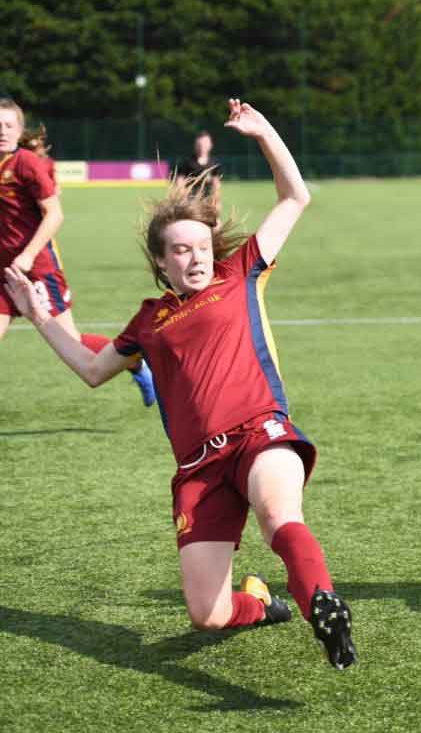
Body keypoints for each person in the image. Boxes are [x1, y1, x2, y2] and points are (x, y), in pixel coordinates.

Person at [4, 99, 357, 670]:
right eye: (180, 250)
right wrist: (39, 313)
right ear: (161, 261)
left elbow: (296, 197)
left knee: (277, 514)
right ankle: (263, 604)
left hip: (260, 434)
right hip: (198, 469)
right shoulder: (148, 320)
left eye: (199, 247)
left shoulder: (240, 273)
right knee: (208, 614)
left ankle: (324, 602)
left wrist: (263, 128)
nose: (194, 258)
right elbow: (92, 371)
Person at [0, 98, 156, 405]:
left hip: (37, 272)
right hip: (3, 274)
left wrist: (29, 254)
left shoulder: (26, 164)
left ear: (19, 131)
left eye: (8, 125)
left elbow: (55, 214)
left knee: (71, 344)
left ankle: (135, 360)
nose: (2, 131)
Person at [174, 130, 223, 208]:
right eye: (199, 145)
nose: (202, 147)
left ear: (210, 145)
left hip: (207, 202)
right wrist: (183, 199)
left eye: (205, 144)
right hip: (190, 203)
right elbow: (179, 182)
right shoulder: (187, 162)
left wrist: (216, 201)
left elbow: (216, 184)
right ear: (195, 145)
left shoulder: (214, 163)